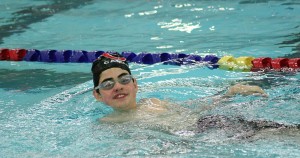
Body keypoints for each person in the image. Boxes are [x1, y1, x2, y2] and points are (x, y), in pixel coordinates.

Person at [91, 52, 298, 136]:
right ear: (98, 95)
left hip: (213, 125)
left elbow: (195, 106)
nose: (118, 86)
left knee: (285, 131)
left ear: (135, 84)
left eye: (124, 79)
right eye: (108, 84)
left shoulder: (153, 102)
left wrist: (228, 94)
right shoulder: (108, 125)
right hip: (201, 140)